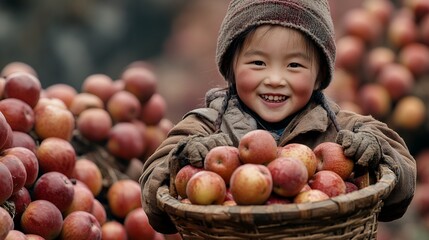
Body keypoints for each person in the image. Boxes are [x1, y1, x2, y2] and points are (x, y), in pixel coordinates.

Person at [139, 0, 416, 234]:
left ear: (319, 75)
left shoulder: (341, 129)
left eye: (294, 65)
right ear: (232, 67)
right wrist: (184, 160)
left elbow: (399, 195)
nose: (274, 79)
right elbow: (155, 204)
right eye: (258, 63)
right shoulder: (205, 126)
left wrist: (377, 150)